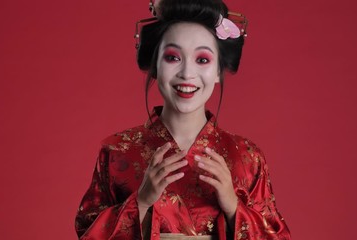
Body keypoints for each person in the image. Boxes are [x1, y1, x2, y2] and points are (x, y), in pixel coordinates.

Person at [75, 0, 291, 239]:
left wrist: (232, 206)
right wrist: (142, 202)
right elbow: (87, 233)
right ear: (155, 66)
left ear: (219, 71)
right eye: (172, 57)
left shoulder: (248, 157)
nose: (187, 74)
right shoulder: (116, 151)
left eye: (202, 60)